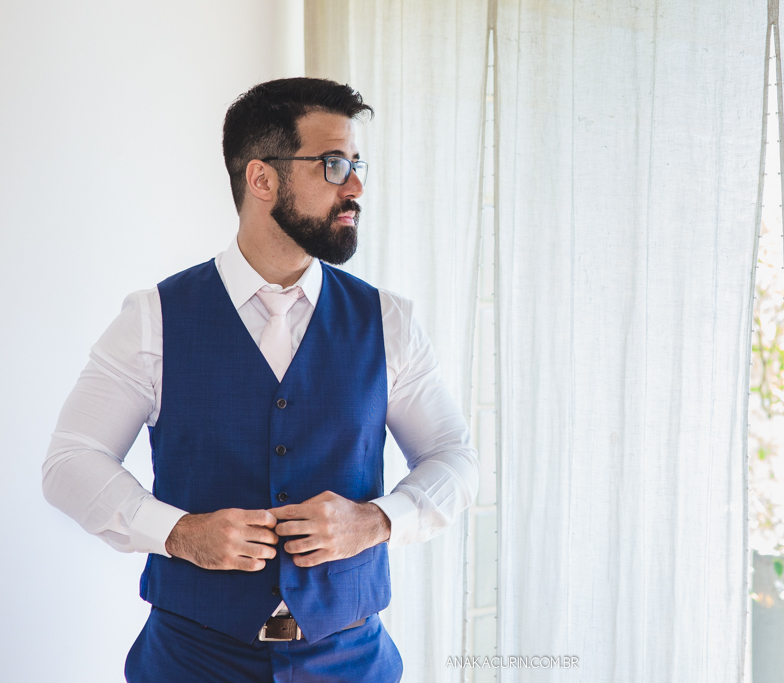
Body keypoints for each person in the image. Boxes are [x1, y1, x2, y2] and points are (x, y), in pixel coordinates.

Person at [42, 77, 479, 682]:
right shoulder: (154, 318)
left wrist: (376, 521)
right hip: (190, 662)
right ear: (262, 178)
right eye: (332, 165)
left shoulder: (388, 321)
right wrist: (178, 533)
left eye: (357, 166)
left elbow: (455, 458)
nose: (355, 187)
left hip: (351, 662)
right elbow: (70, 463)